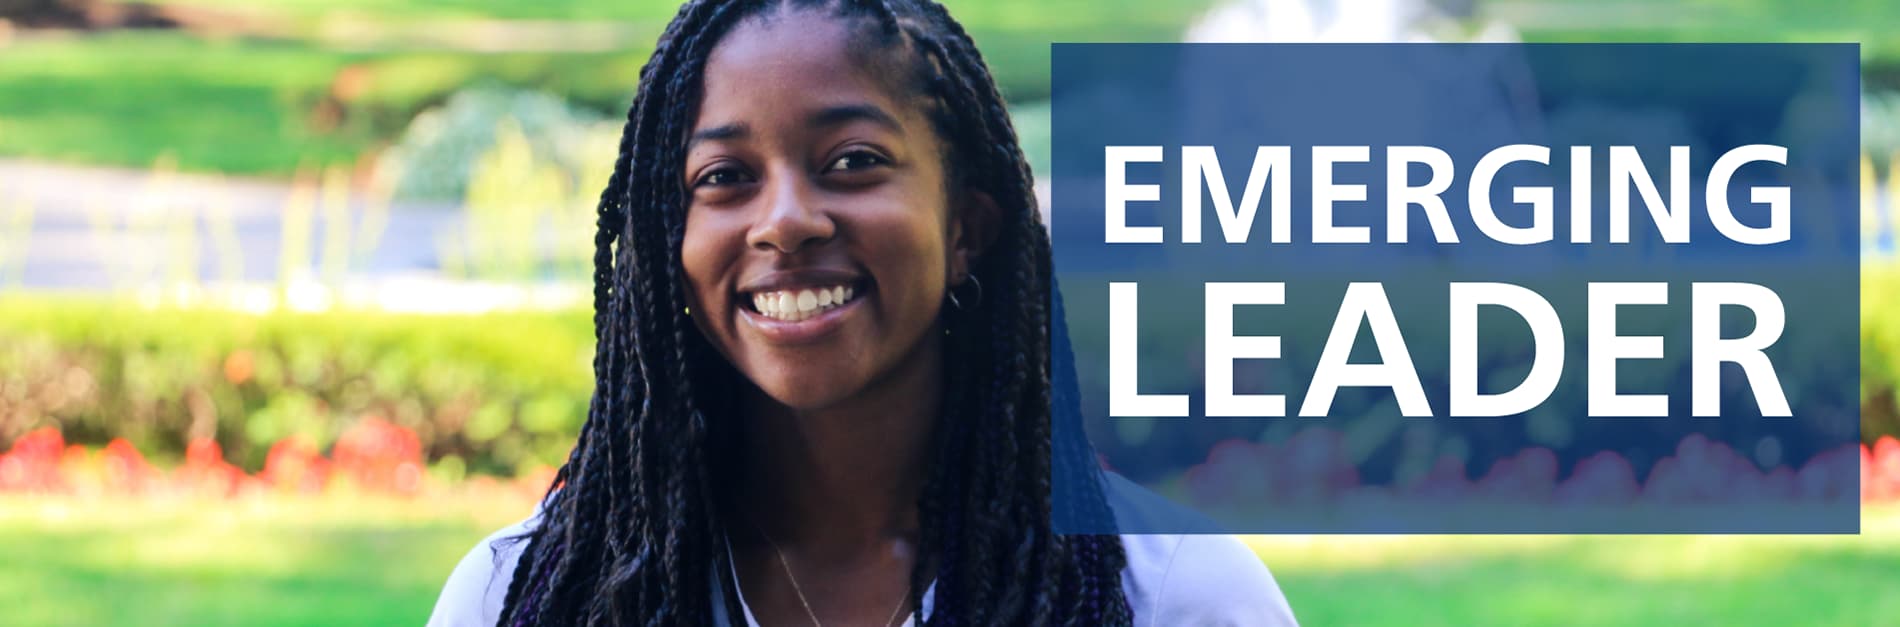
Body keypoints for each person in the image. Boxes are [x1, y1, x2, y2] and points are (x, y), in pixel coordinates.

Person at [428, 0, 1297, 624]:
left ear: (967, 227)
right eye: (725, 176)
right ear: (669, 248)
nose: (786, 221)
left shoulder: (1175, 596)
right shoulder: (522, 597)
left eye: (851, 160)